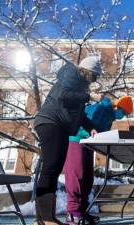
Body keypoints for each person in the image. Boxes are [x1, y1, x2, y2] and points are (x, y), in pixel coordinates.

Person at [33, 55, 103, 225]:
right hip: (51, 122)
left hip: (60, 126)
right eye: (94, 76)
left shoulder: (80, 86)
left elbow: (78, 115)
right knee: (50, 169)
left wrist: (91, 127)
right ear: (87, 72)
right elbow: (64, 95)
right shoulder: (71, 74)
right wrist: (88, 97)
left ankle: (45, 218)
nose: (94, 80)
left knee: (54, 170)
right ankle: (44, 219)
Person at [64, 96, 133, 225]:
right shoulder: (101, 108)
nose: (123, 116)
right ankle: (72, 213)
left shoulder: (110, 116)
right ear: (117, 107)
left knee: (88, 177)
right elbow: (84, 122)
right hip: (77, 138)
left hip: (89, 143)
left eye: (126, 114)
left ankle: (82, 210)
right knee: (76, 174)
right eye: (123, 112)